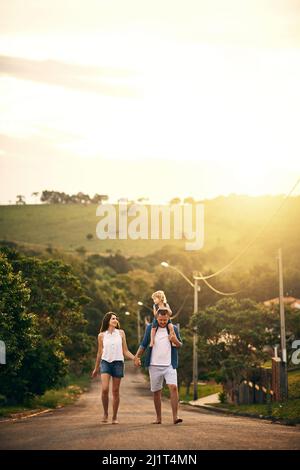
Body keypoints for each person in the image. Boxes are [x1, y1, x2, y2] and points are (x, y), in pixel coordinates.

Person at [134, 309, 183, 425]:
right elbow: (143, 344)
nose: (162, 322)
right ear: (156, 318)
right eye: (160, 320)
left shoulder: (173, 328)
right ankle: (158, 418)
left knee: (174, 387)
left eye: (165, 320)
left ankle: (175, 417)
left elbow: (180, 344)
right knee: (156, 391)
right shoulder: (151, 328)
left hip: (169, 364)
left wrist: (174, 339)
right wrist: (136, 357)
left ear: (168, 318)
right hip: (154, 365)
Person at [92, 311, 137, 424]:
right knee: (105, 389)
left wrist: (135, 358)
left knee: (115, 391)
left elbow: (125, 351)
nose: (115, 320)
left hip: (118, 363)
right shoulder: (101, 335)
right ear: (108, 321)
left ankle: (114, 417)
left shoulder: (121, 333)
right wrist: (96, 368)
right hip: (105, 362)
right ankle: (105, 413)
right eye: (113, 318)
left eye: (116, 318)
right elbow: (99, 353)